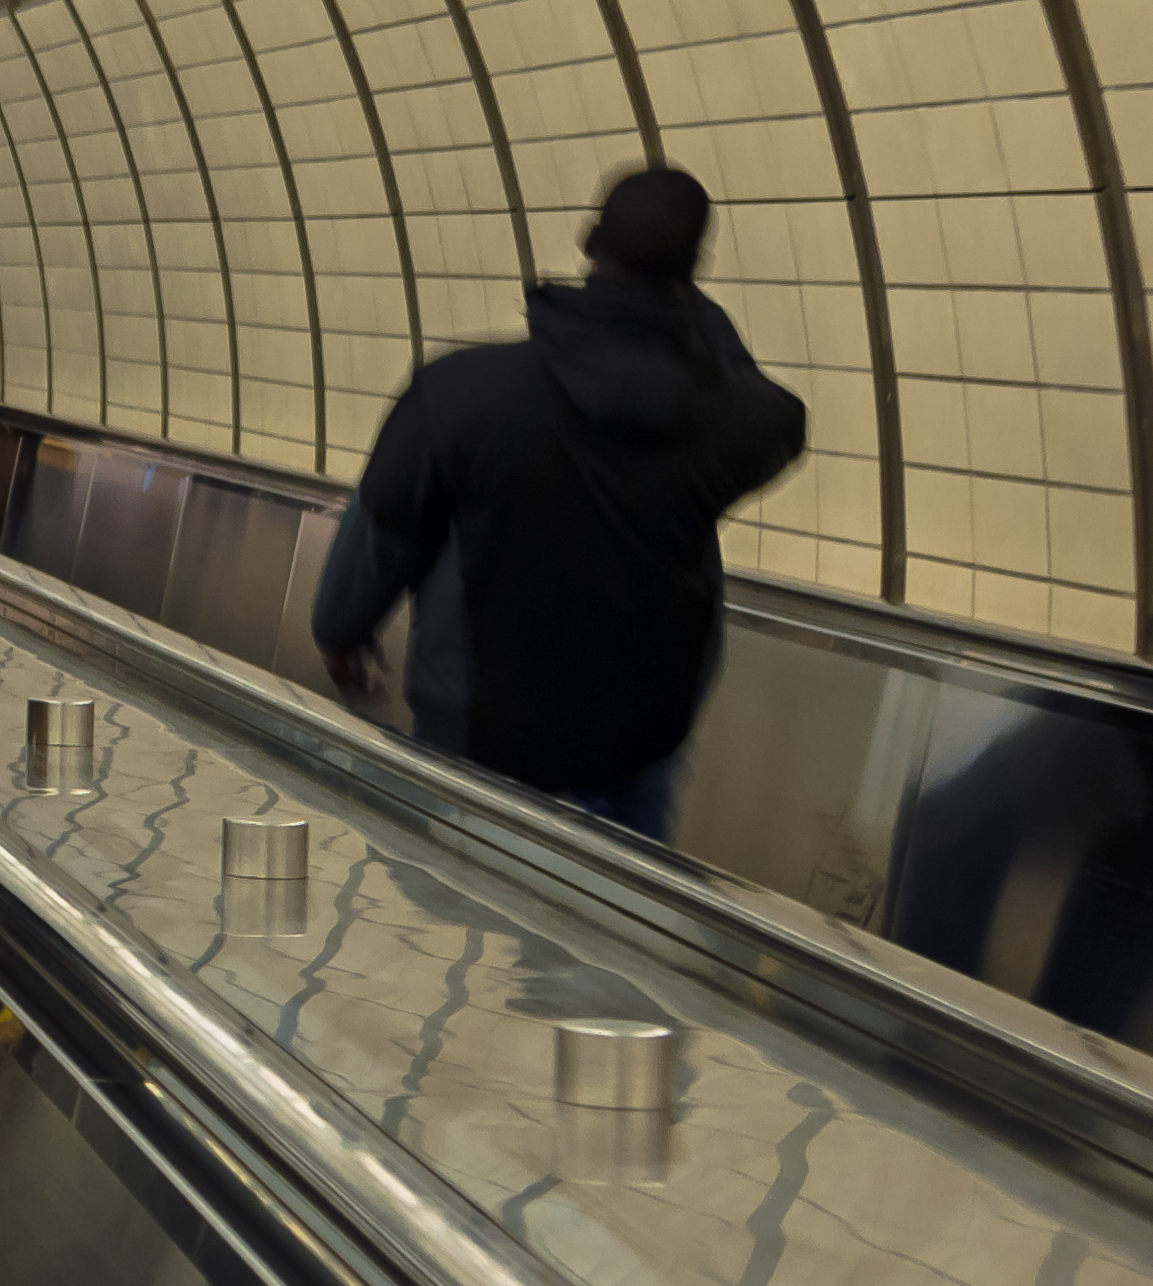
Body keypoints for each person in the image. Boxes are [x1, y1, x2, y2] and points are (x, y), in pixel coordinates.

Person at [311, 165, 805, 845]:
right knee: (615, 930)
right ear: (694, 271)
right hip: (640, 739)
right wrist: (690, 319)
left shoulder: (462, 393)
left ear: (588, 240)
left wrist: (339, 628)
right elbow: (765, 405)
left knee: (449, 924)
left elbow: (385, 530)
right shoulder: (731, 425)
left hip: (474, 735)